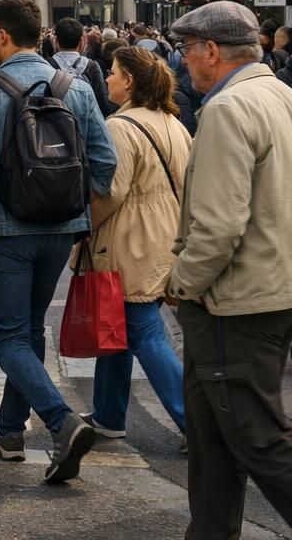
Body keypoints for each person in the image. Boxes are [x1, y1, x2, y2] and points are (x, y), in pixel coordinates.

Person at [167, 1, 292, 540]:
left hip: (236, 297)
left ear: (212, 52)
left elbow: (217, 226)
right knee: (213, 432)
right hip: (287, 284)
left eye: (187, 49)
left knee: (257, 433)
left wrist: (181, 282)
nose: (184, 61)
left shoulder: (229, 109)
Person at [0, 0, 116, 485]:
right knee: (29, 329)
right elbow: (106, 162)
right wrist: (80, 212)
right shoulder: (74, 87)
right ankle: (10, 431)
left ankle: (60, 420)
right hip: (60, 229)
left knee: (10, 338)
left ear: (2, 35)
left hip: (3, 227)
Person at [78, 46, 188, 445]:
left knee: (143, 331)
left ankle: (195, 423)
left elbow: (109, 192)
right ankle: (108, 414)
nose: (106, 78)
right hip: (162, 237)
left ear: (129, 81)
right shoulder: (173, 123)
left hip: (131, 241)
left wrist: (82, 225)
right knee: (116, 327)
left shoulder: (121, 127)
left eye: (113, 72)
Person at [49, 16, 112, 116]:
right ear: (82, 41)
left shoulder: (47, 65)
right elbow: (102, 102)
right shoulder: (91, 66)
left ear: (56, 41)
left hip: (55, 124)